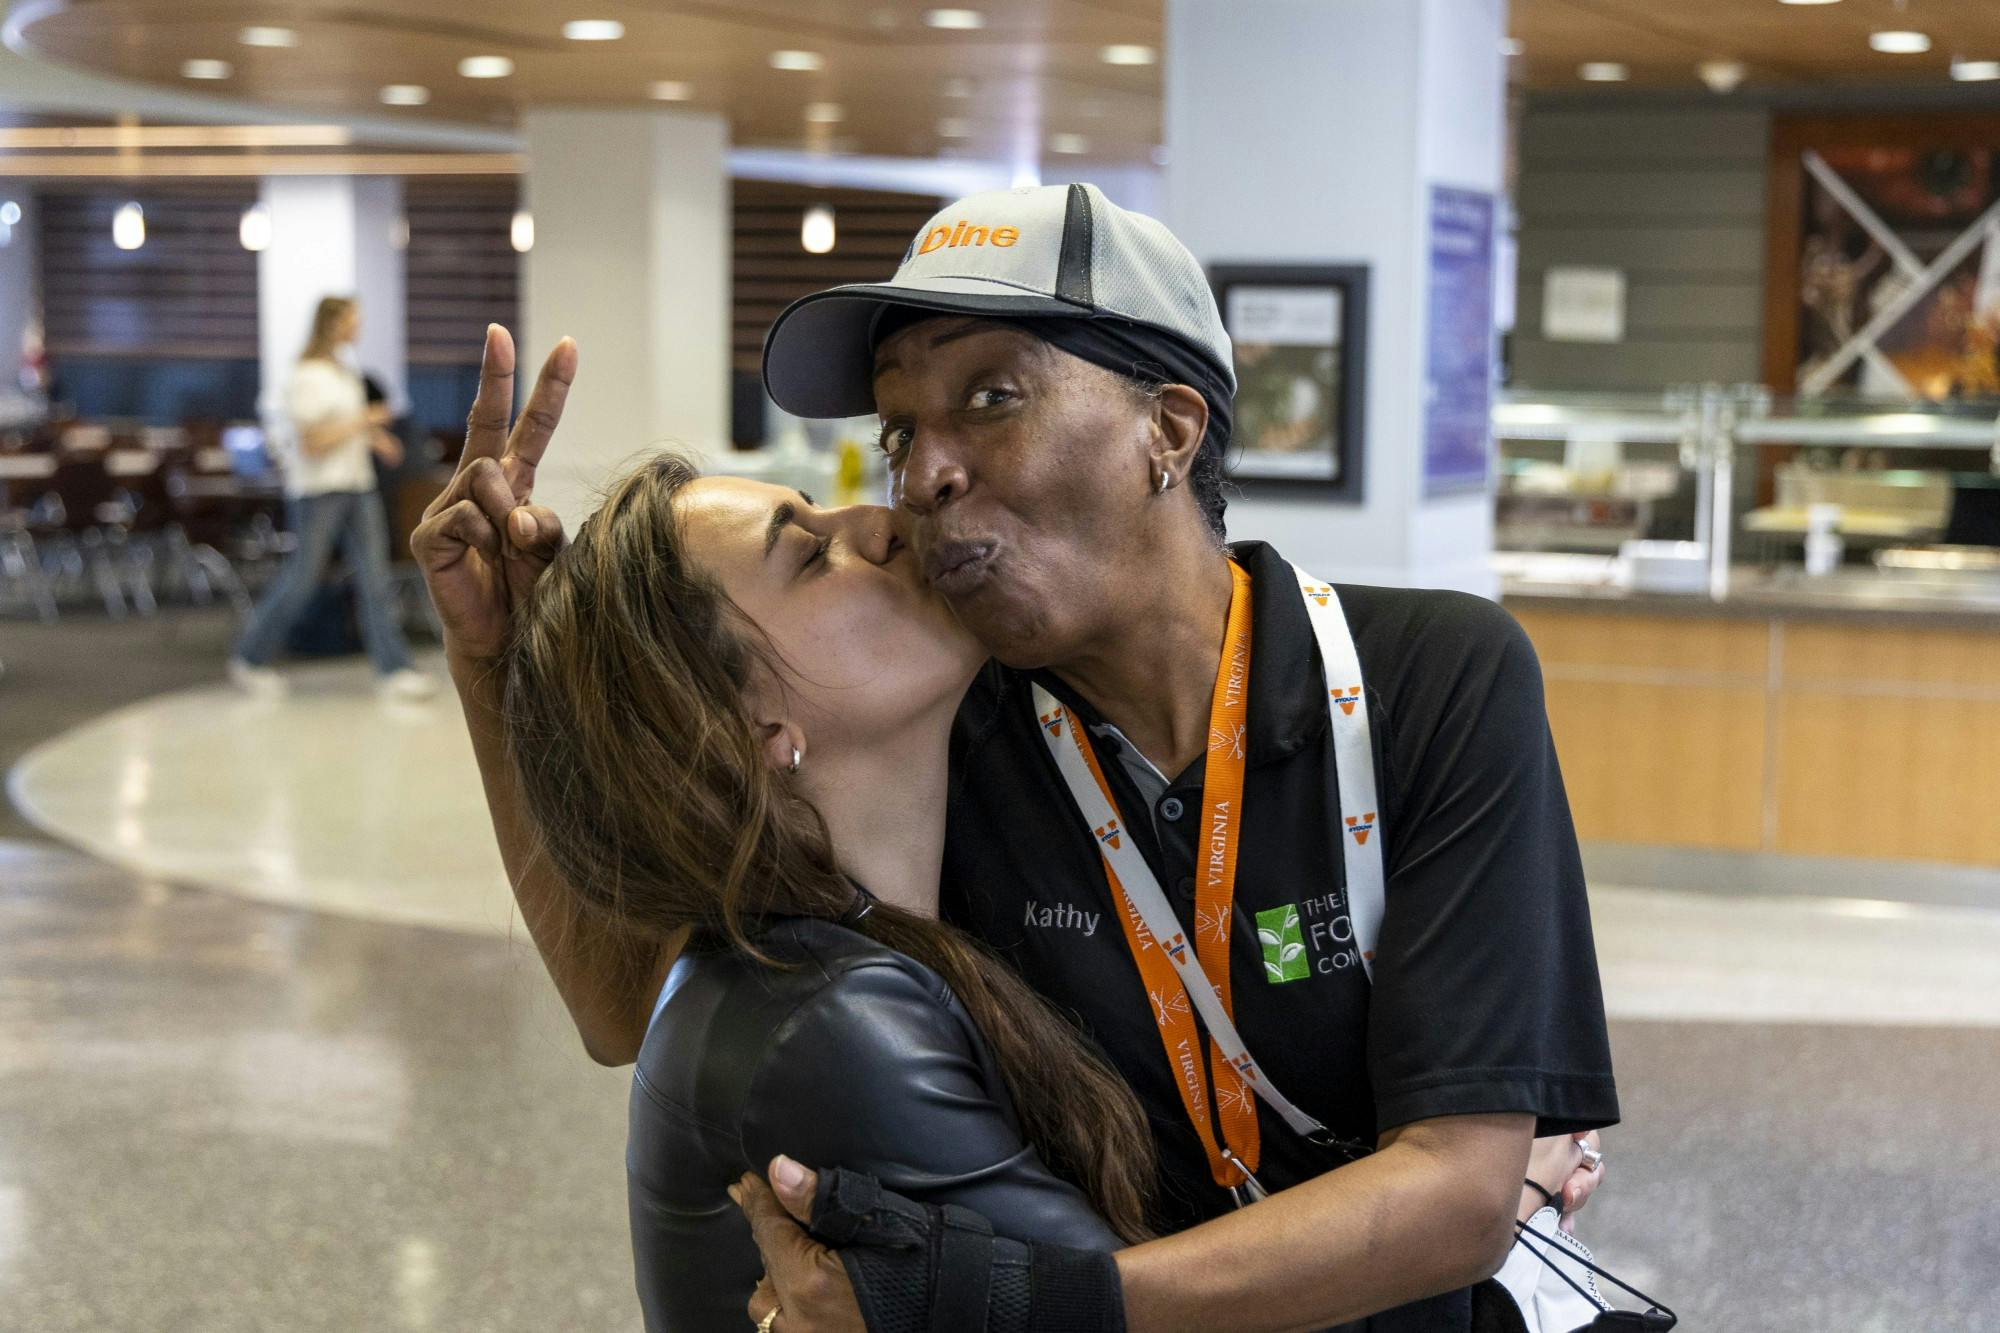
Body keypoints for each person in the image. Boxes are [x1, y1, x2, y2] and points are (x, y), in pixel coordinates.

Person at [427, 170, 1615, 1333]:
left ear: (1168, 425)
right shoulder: (955, 725)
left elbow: (1457, 1195)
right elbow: (636, 1008)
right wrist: (500, 667)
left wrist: (998, 1303)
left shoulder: (1426, 678)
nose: (918, 478)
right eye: (900, 426)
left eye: (990, 397)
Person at [228, 296, 434, 701]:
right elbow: (312, 442)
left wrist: (378, 439)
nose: (359, 327)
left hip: (357, 486)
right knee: (303, 579)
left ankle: (394, 669)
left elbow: (347, 427)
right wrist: (365, 421)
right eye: (353, 319)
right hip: (320, 493)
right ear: (333, 323)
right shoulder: (307, 376)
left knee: (375, 579)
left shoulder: (344, 371)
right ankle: (249, 656)